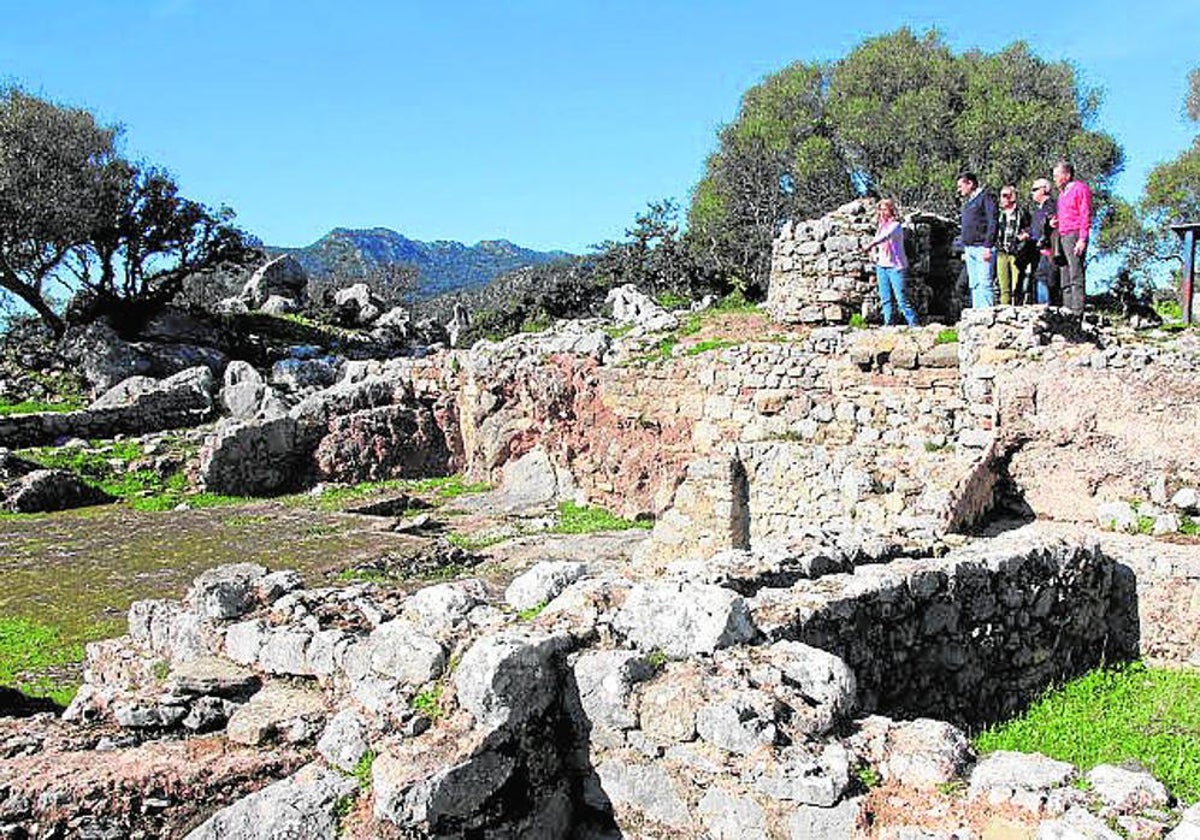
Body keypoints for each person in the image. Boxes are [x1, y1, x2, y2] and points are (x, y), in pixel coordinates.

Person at [862, 198, 918, 326]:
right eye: (880, 210)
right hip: (882, 266)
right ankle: (888, 324)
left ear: (891, 210)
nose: (882, 213)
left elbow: (884, 237)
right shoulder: (881, 227)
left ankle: (913, 324)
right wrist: (874, 255)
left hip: (896, 267)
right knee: (885, 299)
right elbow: (878, 243)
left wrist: (870, 245)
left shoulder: (896, 226)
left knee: (901, 299)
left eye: (885, 209)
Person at [1051, 161, 1092, 313]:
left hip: (1074, 234)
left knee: (1076, 273)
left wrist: (1082, 239)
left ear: (1067, 175)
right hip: (1062, 235)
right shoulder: (1061, 195)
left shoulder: (1080, 189)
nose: (1054, 179)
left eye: (1057, 175)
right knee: (1065, 275)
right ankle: (1067, 311)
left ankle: (1077, 312)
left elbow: (1085, 214)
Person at [957, 172, 997, 308]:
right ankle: (977, 316)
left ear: (970, 183)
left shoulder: (986, 197)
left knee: (984, 283)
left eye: (961, 185)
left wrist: (988, 246)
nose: (959, 189)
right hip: (970, 248)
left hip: (982, 248)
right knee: (974, 284)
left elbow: (993, 222)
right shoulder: (968, 202)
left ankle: (987, 316)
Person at [995, 185, 1031, 305]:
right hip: (1001, 252)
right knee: (1003, 287)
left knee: (1017, 286)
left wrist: (1025, 236)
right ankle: (1004, 314)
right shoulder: (998, 214)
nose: (1002, 199)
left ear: (1012, 197)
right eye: (1001, 196)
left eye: (1005, 195)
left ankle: (1017, 311)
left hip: (1017, 253)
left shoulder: (1022, 213)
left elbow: (1029, 229)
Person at [1025, 177, 1058, 305]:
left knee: (1044, 278)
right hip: (1036, 251)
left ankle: (1045, 308)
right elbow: (1036, 229)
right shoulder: (1038, 210)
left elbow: (1051, 226)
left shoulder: (1052, 205)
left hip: (1047, 249)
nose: (1031, 193)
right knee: (1038, 277)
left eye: (1034, 190)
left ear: (1044, 190)